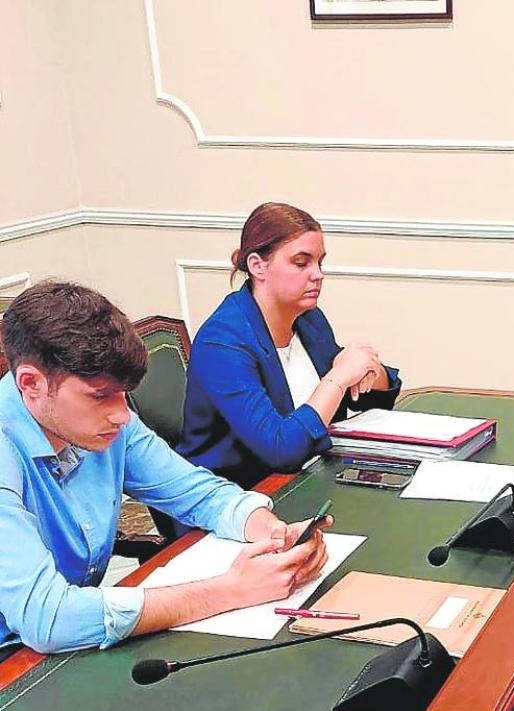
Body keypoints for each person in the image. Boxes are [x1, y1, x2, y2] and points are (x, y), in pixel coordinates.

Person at [0, 282, 332, 654]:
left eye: (124, 393)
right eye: (100, 396)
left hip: (64, 649)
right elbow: (51, 620)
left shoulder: (105, 421)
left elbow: (194, 491)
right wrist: (232, 589)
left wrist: (271, 532)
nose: (122, 415)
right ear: (31, 383)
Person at [179, 202, 401, 489]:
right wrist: (340, 377)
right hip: (240, 498)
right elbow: (280, 449)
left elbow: (361, 398)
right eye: (301, 262)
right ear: (258, 265)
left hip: (308, 479)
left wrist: (369, 370)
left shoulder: (308, 319)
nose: (317, 274)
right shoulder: (222, 343)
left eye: (319, 262)